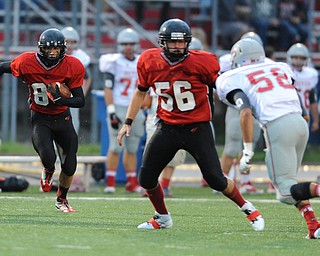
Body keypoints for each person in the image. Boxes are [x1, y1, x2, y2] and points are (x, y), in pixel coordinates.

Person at [117, 18, 264, 231]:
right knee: (146, 178)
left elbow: (221, 87)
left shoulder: (202, 61)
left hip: (197, 128)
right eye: (172, 42)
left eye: (181, 42)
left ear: (188, 42)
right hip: (166, 126)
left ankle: (248, 208)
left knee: (215, 179)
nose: (177, 46)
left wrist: (241, 102)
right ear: (162, 42)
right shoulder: (148, 60)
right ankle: (162, 217)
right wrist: (128, 121)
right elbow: (141, 91)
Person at [216, 38, 320, 239]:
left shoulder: (233, 77)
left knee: (285, 192)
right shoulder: (279, 68)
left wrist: (247, 151)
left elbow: (245, 112)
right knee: (291, 183)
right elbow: (303, 108)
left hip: (277, 126)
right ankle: (313, 225)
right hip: (300, 124)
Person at [0, 28, 85, 212]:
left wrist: (61, 99)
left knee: (70, 166)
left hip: (63, 117)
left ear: (63, 49)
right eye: (48, 49)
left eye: (56, 49)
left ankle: (61, 200)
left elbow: (80, 100)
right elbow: (2, 67)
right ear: (41, 49)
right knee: (48, 158)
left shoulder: (73, 65)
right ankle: (48, 171)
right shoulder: (26, 61)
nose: (52, 52)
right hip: (40, 118)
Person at [99, 28, 145, 193]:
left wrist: (145, 106)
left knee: (132, 147)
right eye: (125, 44)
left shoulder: (142, 61)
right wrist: (111, 110)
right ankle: (110, 181)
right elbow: (108, 87)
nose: (128, 47)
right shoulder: (113, 61)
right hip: (118, 106)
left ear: (136, 45)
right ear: (119, 45)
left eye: (131, 43)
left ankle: (131, 182)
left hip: (136, 108)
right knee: (115, 146)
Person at [218, 52, 263, 195]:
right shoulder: (227, 61)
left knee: (251, 145)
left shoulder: (265, 63)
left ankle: (246, 181)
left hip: (253, 109)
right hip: (235, 108)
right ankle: (221, 181)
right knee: (231, 146)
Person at [61, 26, 91, 134]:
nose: (69, 45)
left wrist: (79, 95)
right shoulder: (54, 54)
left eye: (72, 42)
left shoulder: (80, 57)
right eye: (66, 42)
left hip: (70, 99)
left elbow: (87, 78)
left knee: (71, 130)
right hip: (55, 98)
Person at [286, 43, 319, 135]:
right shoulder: (285, 72)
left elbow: (313, 100)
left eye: (301, 58)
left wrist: (316, 120)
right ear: (290, 57)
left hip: (304, 114)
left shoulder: (311, 74)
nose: (298, 61)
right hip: (287, 112)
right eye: (295, 58)